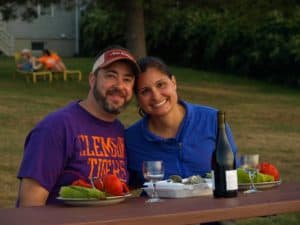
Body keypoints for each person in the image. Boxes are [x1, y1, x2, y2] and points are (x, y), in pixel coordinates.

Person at [16, 46, 140, 207]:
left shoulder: (120, 132)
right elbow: (29, 206)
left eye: (127, 79)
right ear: (92, 80)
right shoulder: (56, 128)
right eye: (111, 75)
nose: (120, 85)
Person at [125, 56, 239, 188]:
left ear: (173, 82)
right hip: (162, 209)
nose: (156, 96)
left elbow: (234, 176)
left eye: (160, 85)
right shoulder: (131, 139)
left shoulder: (212, 120)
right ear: (138, 99)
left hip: (217, 206)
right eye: (145, 91)